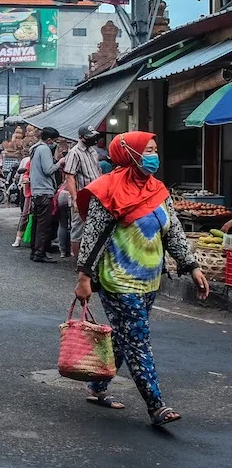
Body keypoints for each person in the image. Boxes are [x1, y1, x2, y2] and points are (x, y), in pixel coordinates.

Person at [74, 131, 209, 426]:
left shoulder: (157, 189)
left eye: (155, 149)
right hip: (118, 280)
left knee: (124, 337)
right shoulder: (107, 190)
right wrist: (84, 276)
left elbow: (172, 231)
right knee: (138, 340)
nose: (154, 155)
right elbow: (93, 238)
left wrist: (192, 266)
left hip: (150, 280)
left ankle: (97, 387)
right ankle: (155, 404)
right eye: (148, 150)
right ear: (130, 154)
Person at [63, 125, 103, 257]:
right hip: (82, 196)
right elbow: (69, 176)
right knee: (78, 230)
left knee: (94, 228)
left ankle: (90, 260)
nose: (93, 139)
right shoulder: (74, 152)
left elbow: (97, 172)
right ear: (81, 138)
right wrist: (75, 199)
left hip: (96, 195)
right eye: (89, 136)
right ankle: (78, 263)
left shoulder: (93, 150)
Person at [28, 126, 61, 263]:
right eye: (55, 141)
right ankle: (40, 253)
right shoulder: (44, 149)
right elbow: (48, 170)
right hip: (44, 191)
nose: (56, 144)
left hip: (36, 191)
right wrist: (60, 163)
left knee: (37, 223)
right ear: (49, 140)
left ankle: (34, 250)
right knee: (44, 224)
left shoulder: (35, 149)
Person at [12, 155, 32, 247]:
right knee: (25, 215)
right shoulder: (28, 161)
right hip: (28, 192)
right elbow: (24, 174)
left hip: (41, 193)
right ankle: (18, 239)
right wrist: (26, 180)